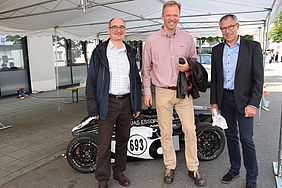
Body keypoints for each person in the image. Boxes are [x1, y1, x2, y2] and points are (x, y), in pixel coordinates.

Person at [141, 1, 205, 186]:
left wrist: (188, 66)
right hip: (161, 92)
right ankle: (169, 166)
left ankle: (193, 168)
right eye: (169, 14)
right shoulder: (152, 40)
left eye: (175, 15)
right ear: (162, 16)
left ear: (179, 16)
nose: (172, 18)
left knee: (190, 130)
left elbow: (194, 61)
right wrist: (147, 92)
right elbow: (146, 68)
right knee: (166, 132)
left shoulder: (187, 38)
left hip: (183, 91)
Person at [85, 18, 142, 188]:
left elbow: (135, 80)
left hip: (126, 102)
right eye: (115, 27)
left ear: (125, 30)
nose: (118, 30)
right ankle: (102, 179)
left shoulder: (130, 51)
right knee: (104, 143)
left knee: (123, 139)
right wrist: (92, 107)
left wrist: (136, 104)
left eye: (122, 27)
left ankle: (118, 172)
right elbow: (92, 80)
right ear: (109, 30)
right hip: (106, 103)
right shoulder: (100, 51)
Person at [210, 14, 263, 188]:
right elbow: (216, 78)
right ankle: (234, 169)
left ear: (237, 26)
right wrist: (214, 103)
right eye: (223, 28)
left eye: (230, 27)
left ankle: (252, 177)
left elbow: (258, 79)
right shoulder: (217, 50)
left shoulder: (252, 47)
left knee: (246, 139)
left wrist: (254, 103)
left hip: (245, 101)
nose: (227, 31)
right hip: (224, 99)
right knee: (231, 136)